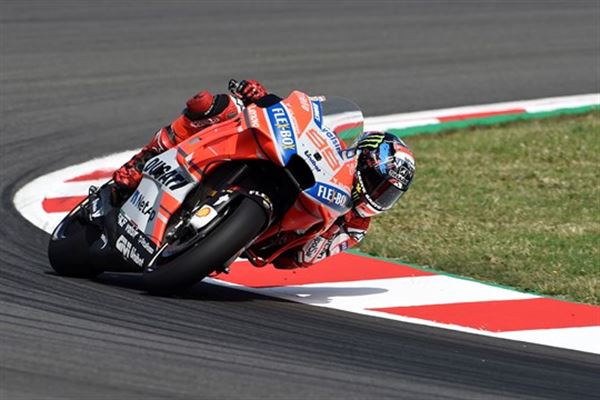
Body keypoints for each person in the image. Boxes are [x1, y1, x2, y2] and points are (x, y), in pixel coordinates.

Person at [113, 79, 416, 269]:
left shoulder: (356, 226)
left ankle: (211, 241)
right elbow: (299, 122)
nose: (376, 195)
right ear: (361, 160)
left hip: (269, 238)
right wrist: (262, 97)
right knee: (214, 106)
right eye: (377, 184)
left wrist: (320, 238)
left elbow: (299, 260)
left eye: (387, 194)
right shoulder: (337, 155)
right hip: (283, 168)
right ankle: (144, 159)